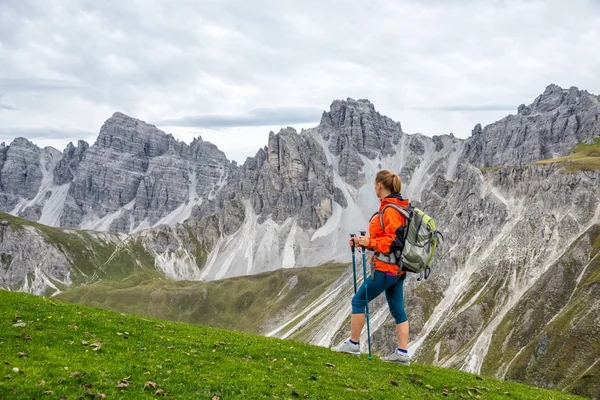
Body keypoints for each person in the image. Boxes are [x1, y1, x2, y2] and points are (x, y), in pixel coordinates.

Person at [333, 170, 411, 365]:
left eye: (374, 184)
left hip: (385, 268)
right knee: (398, 310)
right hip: (397, 270)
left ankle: (353, 344)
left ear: (379, 186)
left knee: (358, 300)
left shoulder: (391, 210)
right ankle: (402, 354)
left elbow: (394, 240)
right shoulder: (397, 207)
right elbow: (386, 239)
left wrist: (370, 243)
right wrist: (363, 242)